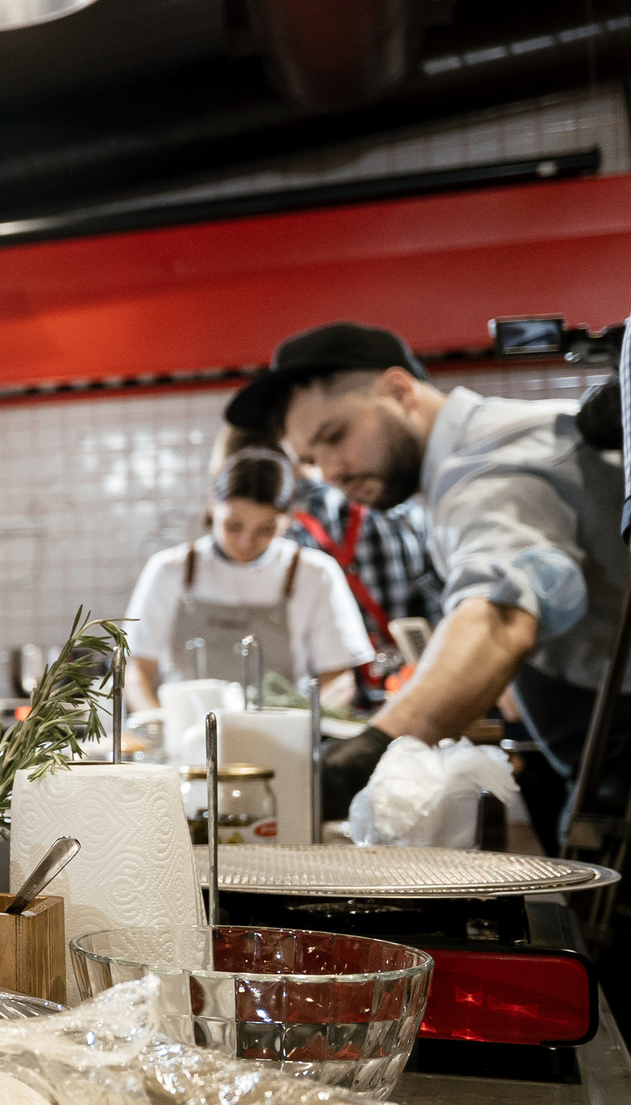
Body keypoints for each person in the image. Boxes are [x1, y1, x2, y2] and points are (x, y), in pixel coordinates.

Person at [227, 321, 631, 829]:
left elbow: (498, 620)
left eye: (335, 436)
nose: (329, 471)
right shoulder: (466, 458)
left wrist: (366, 755)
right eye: (311, 460)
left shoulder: (485, 464)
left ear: (399, 391)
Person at [122, 446, 374, 712]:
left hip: (280, 735)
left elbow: (337, 678)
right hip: (187, 735)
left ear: (288, 519)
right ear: (212, 504)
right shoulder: (169, 570)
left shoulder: (315, 573)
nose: (246, 543)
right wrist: (157, 723)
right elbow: (137, 669)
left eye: (265, 530)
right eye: (233, 526)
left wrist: (308, 724)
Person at [274, 440, 443, 708]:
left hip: (336, 702)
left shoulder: (285, 532)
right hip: (410, 691)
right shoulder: (405, 513)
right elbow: (441, 606)